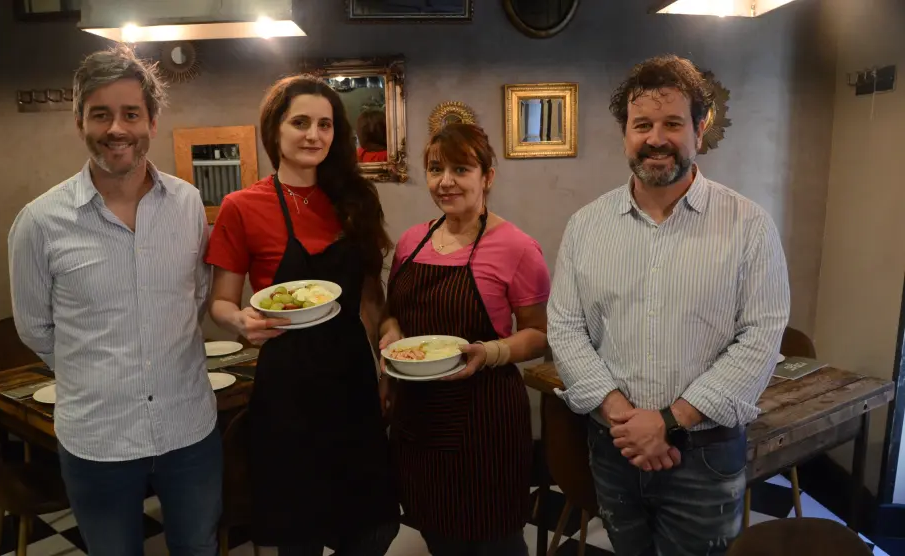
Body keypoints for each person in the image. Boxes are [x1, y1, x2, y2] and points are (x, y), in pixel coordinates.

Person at [547, 54, 791, 556]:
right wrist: (626, 419)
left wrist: (668, 419)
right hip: (614, 448)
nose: (656, 138)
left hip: (705, 455)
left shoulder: (748, 226)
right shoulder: (586, 227)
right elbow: (566, 330)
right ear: (625, 133)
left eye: (673, 123)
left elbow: (761, 339)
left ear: (699, 129)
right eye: (642, 125)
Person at [8, 46, 221, 556]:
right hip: (98, 438)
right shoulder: (39, 223)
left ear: (152, 119)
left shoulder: (188, 204)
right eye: (100, 114)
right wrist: (97, 373)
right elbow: (34, 328)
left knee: (198, 549)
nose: (116, 128)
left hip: (188, 427)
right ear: (79, 120)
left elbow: (196, 293)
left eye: (130, 113)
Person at [205, 74, 400, 555]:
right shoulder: (241, 207)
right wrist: (240, 322)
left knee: (372, 529)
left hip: (352, 377)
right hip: (288, 387)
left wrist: (385, 352)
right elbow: (221, 303)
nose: (314, 135)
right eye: (300, 122)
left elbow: (370, 295)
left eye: (325, 125)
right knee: (299, 534)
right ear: (275, 130)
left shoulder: (354, 199)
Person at [379, 123, 551, 555]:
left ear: (487, 177)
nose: (446, 181)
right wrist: (391, 333)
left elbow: (540, 335)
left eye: (461, 168)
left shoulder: (517, 247)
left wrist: (491, 351)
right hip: (417, 413)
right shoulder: (410, 242)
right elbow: (391, 314)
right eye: (436, 169)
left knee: (493, 540)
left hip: (485, 419)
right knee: (437, 532)